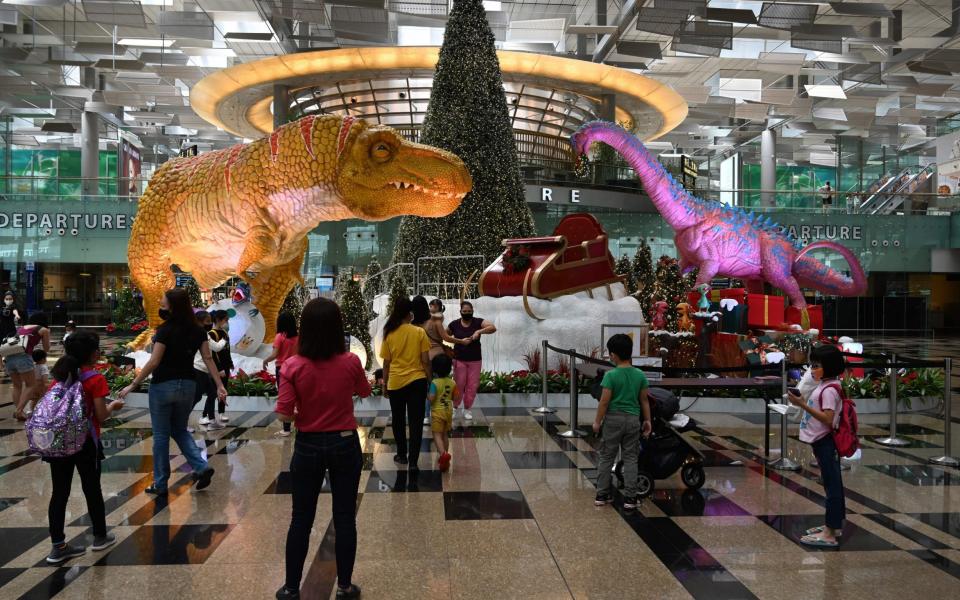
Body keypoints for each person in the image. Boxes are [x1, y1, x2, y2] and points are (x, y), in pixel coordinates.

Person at [275, 298, 370, 600]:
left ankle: (291, 588)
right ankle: (344, 586)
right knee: (344, 518)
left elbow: (284, 414)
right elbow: (365, 391)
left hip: (308, 444)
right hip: (344, 442)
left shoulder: (292, 366)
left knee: (301, 518)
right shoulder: (352, 362)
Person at [117, 288, 226, 495]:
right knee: (179, 430)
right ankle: (201, 467)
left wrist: (133, 384)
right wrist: (219, 385)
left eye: (163, 300)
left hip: (163, 386)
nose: (160, 302)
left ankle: (160, 483)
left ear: (172, 305)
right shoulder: (198, 330)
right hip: (187, 385)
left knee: (161, 435)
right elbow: (208, 358)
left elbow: (154, 361)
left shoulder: (164, 330)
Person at [43, 330, 123, 563]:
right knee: (91, 488)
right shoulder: (95, 378)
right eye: (96, 348)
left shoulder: (59, 377)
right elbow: (100, 415)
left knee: (59, 492)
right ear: (90, 354)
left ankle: (58, 546)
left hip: (59, 443)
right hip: (86, 442)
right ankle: (100, 537)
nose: (99, 352)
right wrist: (113, 406)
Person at [788, 345, 847, 547]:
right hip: (821, 441)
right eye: (812, 365)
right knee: (832, 483)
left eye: (817, 366)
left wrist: (802, 405)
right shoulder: (826, 384)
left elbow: (828, 419)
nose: (812, 370)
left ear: (828, 367)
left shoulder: (830, 389)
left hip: (826, 441)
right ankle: (833, 526)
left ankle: (830, 533)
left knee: (832, 486)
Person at [593, 333, 652, 510]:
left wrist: (597, 422)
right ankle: (630, 498)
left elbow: (604, 402)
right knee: (631, 458)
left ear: (613, 355)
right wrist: (647, 420)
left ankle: (602, 494)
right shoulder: (640, 375)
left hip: (613, 420)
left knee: (606, 457)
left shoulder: (611, 376)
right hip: (633, 420)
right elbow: (644, 400)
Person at [380, 296, 430, 469]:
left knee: (398, 420)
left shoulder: (389, 333)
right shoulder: (419, 332)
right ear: (410, 313)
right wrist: (429, 380)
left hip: (396, 382)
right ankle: (414, 462)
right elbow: (425, 361)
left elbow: (386, 363)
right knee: (416, 422)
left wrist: (384, 384)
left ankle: (402, 455)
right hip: (417, 382)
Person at [446, 301, 496, 421]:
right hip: (459, 359)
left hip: (475, 359)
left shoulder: (478, 322)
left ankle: (467, 408)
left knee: (472, 385)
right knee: (459, 384)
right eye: (465, 311)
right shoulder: (454, 324)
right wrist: (459, 341)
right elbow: (444, 335)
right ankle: (455, 407)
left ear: (473, 311)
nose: (467, 313)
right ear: (460, 312)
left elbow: (493, 328)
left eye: (469, 311)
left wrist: (479, 331)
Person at [263, 312, 300, 437]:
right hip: (296, 369)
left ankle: (286, 429)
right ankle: (300, 425)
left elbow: (274, 354)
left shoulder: (279, 337)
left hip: (283, 370)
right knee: (297, 396)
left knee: (285, 398)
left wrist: (265, 361)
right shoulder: (297, 337)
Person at [192, 310, 227, 431]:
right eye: (207, 321)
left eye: (210, 321)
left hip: (203, 370)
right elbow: (214, 350)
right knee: (196, 396)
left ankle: (211, 420)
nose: (210, 324)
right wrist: (224, 338)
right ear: (199, 321)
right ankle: (180, 421)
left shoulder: (202, 333)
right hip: (199, 369)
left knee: (211, 394)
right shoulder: (202, 334)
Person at [13, 312, 51, 421]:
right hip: (23, 357)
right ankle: (19, 411)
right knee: (31, 385)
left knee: (17, 385)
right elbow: (46, 348)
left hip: (10, 357)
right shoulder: (43, 329)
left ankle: (19, 412)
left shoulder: (21, 328)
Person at [202, 310, 233, 425]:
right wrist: (219, 369)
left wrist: (230, 363)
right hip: (217, 368)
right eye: (226, 320)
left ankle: (221, 412)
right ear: (218, 320)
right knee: (213, 392)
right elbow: (213, 354)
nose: (227, 322)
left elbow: (227, 351)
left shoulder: (225, 333)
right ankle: (205, 414)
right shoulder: (211, 334)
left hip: (226, 366)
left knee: (223, 390)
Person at [428, 354, 459, 472]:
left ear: (434, 368)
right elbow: (456, 397)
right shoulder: (452, 382)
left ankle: (443, 455)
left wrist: (427, 397)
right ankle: (445, 458)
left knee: (436, 434)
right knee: (445, 434)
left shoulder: (434, 383)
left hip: (437, 412)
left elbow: (431, 398)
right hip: (448, 412)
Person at [28, 348, 49, 416]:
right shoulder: (43, 367)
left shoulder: (33, 366)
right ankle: (43, 411)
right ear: (43, 359)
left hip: (34, 385)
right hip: (41, 386)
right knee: (44, 399)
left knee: (34, 399)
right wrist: (47, 386)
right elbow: (45, 379)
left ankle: (31, 410)